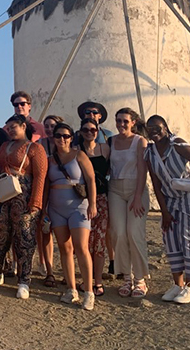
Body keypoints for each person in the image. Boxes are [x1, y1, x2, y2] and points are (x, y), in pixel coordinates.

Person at [145, 115, 190, 304]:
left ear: (166, 128)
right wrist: (164, 212)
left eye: (157, 128)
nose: (154, 132)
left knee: (189, 238)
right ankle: (178, 284)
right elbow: (156, 184)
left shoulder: (178, 145)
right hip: (170, 199)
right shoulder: (150, 153)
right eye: (149, 129)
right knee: (170, 239)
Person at [0, 115, 48, 299]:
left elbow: (40, 175)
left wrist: (36, 202)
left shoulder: (35, 148)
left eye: (14, 127)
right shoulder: (4, 146)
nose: (11, 130)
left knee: (24, 237)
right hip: (4, 195)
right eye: (9, 127)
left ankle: (24, 280)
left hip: (25, 196)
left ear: (24, 126)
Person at [46, 122, 97, 310]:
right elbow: (45, 186)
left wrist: (92, 204)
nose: (62, 139)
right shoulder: (50, 159)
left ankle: (89, 291)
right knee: (64, 248)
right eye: (58, 135)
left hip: (78, 207)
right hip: (56, 207)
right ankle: (71, 288)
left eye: (66, 136)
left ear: (71, 138)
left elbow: (91, 179)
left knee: (81, 248)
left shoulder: (79, 155)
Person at [108, 107, 150, 298]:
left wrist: (138, 196)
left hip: (136, 188)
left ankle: (140, 279)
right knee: (118, 233)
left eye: (125, 121)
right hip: (115, 189)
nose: (121, 124)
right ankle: (127, 277)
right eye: (118, 121)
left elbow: (143, 170)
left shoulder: (140, 141)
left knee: (134, 233)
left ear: (133, 122)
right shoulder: (112, 141)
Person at [78, 118, 110, 296]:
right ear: (80, 132)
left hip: (102, 199)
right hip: (82, 200)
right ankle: (86, 280)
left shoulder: (105, 149)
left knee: (99, 241)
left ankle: (98, 281)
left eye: (93, 130)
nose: (90, 133)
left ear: (98, 131)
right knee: (85, 243)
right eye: (85, 130)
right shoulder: (77, 151)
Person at [35, 114, 64, 286]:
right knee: (45, 231)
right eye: (46, 126)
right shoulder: (40, 145)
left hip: (61, 192)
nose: (49, 129)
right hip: (44, 190)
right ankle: (48, 267)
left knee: (62, 234)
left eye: (52, 126)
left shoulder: (68, 146)